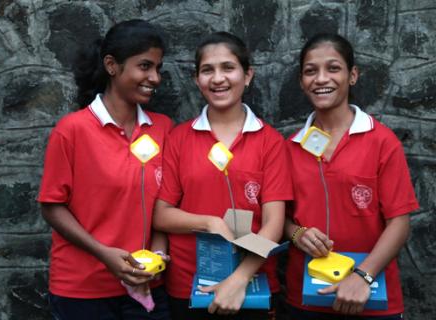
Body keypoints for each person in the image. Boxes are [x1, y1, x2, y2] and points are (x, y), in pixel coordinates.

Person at [37, 19, 172, 320]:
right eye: (145, 66)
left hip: (147, 284)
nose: (155, 77)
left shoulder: (163, 129)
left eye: (158, 68)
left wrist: (158, 256)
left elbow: (166, 203)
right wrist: (104, 253)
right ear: (112, 65)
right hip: (83, 290)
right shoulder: (72, 131)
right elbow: (51, 206)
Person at [153, 31, 293, 319]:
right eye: (207, 70)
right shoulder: (179, 138)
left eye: (228, 67)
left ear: (248, 74)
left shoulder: (270, 141)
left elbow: (274, 224)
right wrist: (209, 222)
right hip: (190, 285)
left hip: (253, 284)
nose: (218, 79)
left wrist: (239, 279)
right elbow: (161, 215)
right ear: (197, 79)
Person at [284, 33, 419, 319]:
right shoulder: (291, 147)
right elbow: (278, 219)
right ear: (301, 81)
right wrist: (297, 234)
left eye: (333, 68)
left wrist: (363, 276)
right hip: (307, 296)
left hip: (371, 296)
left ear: (353, 75)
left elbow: (400, 221)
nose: (321, 79)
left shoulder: (382, 141)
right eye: (311, 71)